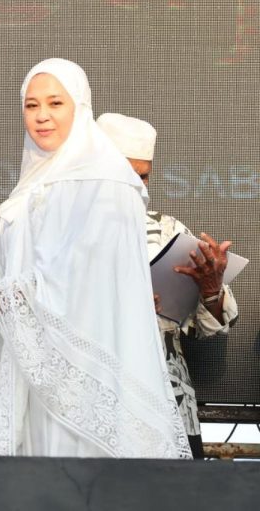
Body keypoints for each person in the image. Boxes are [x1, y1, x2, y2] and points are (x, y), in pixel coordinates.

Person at [0, 58, 191, 458]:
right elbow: (28, 270)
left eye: (55, 103)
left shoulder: (107, 180)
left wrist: (4, 298)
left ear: (80, 107)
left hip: (81, 378)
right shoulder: (32, 185)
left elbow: (84, 278)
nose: (42, 116)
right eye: (31, 105)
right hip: (33, 372)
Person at [97, 112, 239, 458]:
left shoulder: (168, 230)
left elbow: (213, 327)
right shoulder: (61, 230)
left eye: (143, 176)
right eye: (125, 174)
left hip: (169, 399)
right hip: (96, 397)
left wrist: (211, 290)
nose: (136, 185)